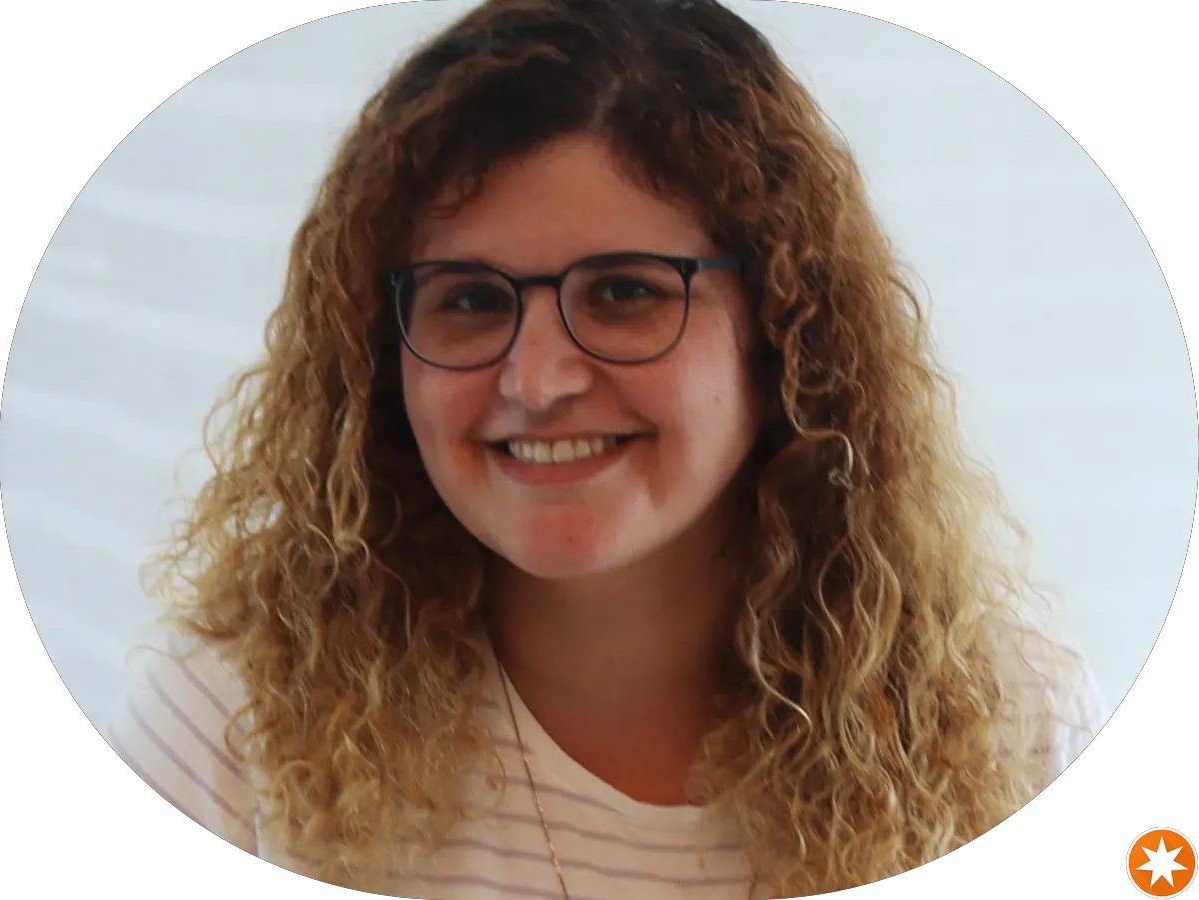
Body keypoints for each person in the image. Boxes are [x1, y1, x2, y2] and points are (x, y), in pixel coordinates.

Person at [103, 1, 1109, 897]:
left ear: (783, 332)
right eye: (470, 300)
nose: (536, 382)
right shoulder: (233, 733)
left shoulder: (1007, 726)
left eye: (626, 292)